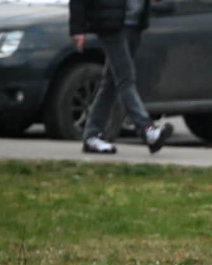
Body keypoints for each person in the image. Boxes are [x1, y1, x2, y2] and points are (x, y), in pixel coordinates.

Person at [69, 0, 173, 154]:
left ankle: (92, 135)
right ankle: (147, 129)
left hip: (134, 24)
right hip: (110, 23)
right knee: (126, 78)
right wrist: (77, 29)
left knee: (111, 82)